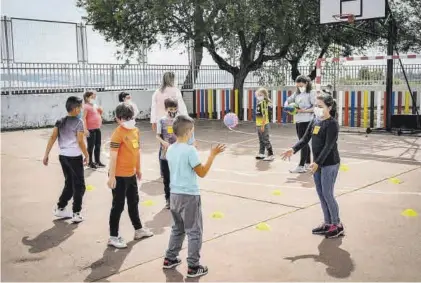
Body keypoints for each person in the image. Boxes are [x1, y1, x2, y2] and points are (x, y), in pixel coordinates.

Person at [162, 115, 225, 278]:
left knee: (178, 228)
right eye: (192, 130)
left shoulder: (170, 148)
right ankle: (193, 266)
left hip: (174, 194)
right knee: (194, 231)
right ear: (189, 131)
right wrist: (212, 155)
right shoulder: (190, 150)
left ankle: (170, 258)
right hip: (189, 195)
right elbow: (202, 172)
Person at [281, 93, 344, 239]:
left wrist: (317, 163)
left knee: (328, 194)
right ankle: (328, 223)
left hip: (329, 163)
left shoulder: (332, 124)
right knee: (321, 195)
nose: (317, 108)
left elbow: (328, 146)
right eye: (315, 106)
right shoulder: (315, 121)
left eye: (320, 106)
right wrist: (293, 149)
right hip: (317, 164)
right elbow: (304, 139)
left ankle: (337, 225)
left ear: (329, 107)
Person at [107, 102, 154, 249]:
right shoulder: (117, 133)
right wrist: (111, 176)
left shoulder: (135, 130)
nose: (127, 121)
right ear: (118, 119)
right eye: (124, 118)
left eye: (130, 117)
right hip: (119, 176)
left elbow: (137, 151)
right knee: (118, 206)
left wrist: (138, 169)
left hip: (131, 174)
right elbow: (113, 156)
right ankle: (113, 237)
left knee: (134, 202)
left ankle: (138, 229)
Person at [43, 96, 88, 223]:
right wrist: (87, 154)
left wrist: (46, 155)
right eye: (80, 106)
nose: (81, 109)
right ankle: (76, 212)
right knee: (79, 186)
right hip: (74, 157)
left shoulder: (60, 121)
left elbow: (52, 137)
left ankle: (60, 207)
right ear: (75, 108)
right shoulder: (79, 122)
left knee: (69, 183)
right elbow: (80, 141)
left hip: (63, 157)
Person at [150, 72, 190, 177]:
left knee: (163, 146)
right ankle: (175, 169)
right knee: (177, 145)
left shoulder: (157, 92)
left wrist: (153, 121)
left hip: (161, 123)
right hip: (174, 122)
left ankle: (163, 171)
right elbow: (181, 106)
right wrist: (186, 119)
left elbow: (153, 107)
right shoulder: (175, 91)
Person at [285, 75, 316, 173]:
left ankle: (301, 165)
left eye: (301, 85)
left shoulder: (311, 93)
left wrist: (304, 111)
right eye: (298, 86)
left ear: (306, 83)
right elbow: (288, 100)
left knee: (303, 142)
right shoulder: (297, 94)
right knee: (303, 141)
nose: (299, 87)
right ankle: (307, 163)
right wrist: (287, 107)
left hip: (307, 121)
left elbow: (315, 108)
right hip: (298, 120)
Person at [156, 98, 179, 209]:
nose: (173, 111)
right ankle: (168, 200)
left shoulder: (179, 120)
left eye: (175, 108)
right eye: (170, 109)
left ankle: (178, 199)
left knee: (177, 178)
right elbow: (157, 135)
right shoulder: (162, 121)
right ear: (166, 109)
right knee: (167, 179)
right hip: (165, 154)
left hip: (178, 154)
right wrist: (163, 142)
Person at [83, 91, 105, 169]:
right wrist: (85, 129)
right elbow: (84, 118)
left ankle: (97, 161)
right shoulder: (86, 106)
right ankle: (90, 162)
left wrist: (100, 111)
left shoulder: (94, 105)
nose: (94, 98)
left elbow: (98, 114)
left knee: (98, 145)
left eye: (94, 96)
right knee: (90, 146)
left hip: (97, 128)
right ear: (87, 98)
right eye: (92, 97)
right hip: (90, 129)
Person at [255, 87, 274, 161]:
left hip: (263, 124)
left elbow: (264, 115)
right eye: (258, 95)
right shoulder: (259, 103)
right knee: (261, 140)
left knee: (265, 140)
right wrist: (258, 124)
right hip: (258, 124)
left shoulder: (264, 103)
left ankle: (271, 154)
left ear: (265, 95)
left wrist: (262, 125)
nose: (259, 96)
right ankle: (261, 153)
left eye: (261, 95)